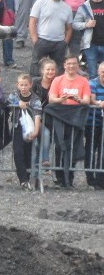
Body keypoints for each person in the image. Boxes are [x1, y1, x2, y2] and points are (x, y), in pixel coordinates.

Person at [47, 53, 91, 188]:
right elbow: (51, 99)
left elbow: (87, 100)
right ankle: (59, 177)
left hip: (76, 117)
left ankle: (69, 178)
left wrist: (78, 99)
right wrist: (61, 99)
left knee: (73, 148)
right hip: (60, 117)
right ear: (64, 65)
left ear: (77, 65)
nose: (71, 66)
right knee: (60, 147)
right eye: (69, 63)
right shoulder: (57, 80)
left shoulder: (83, 81)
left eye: (74, 63)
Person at [29, 0, 74, 74]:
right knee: (36, 71)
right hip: (42, 40)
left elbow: (69, 28)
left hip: (59, 43)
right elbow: (32, 22)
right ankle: (35, 89)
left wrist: (65, 43)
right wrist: (36, 41)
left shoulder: (67, 8)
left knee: (58, 72)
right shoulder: (40, 3)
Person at [8, 74, 43, 190]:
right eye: (21, 85)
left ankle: (29, 178)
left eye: (26, 85)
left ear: (30, 85)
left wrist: (36, 131)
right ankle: (22, 179)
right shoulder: (14, 95)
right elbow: (6, 104)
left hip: (30, 128)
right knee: (18, 153)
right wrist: (17, 104)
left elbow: (38, 115)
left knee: (28, 154)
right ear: (17, 85)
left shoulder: (35, 99)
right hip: (17, 127)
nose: (23, 87)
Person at [74, 0, 104, 76]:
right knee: (92, 74)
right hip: (91, 45)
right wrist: (86, 25)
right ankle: (93, 91)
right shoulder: (84, 7)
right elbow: (75, 24)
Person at [85, 62, 104, 189]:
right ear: (98, 72)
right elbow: (91, 99)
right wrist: (99, 103)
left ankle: (101, 179)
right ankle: (90, 178)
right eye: (102, 71)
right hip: (92, 122)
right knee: (91, 150)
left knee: (102, 151)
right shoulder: (92, 83)